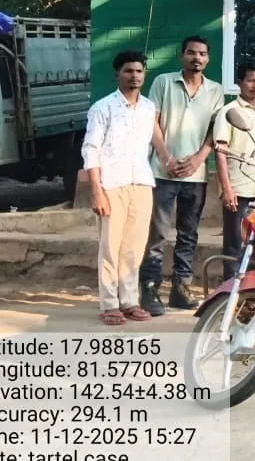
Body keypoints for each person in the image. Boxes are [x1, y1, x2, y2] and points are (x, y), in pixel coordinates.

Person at [83, 51, 173, 325]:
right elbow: (91, 149)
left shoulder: (147, 108)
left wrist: (169, 160)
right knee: (110, 246)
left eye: (139, 71)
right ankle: (109, 304)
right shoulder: (102, 108)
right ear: (117, 74)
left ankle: (130, 301)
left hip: (142, 183)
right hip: (111, 184)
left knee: (134, 247)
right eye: (128, 71)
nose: (134, 76)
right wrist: (96, 190)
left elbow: (155, 138)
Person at [139, 35, 225, 316]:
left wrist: (200, 158)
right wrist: (166, 157)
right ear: (182, 56)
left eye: (202, 54)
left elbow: (216, 131)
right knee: (158, 233)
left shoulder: (215, 90)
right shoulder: (163, 82)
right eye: (191, 53)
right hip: (162, 173)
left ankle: (180, 289)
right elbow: (151, 121)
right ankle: (150, 288)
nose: (196, 58)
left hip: (196, 176)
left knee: (188, 235)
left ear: (208, 59)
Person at [213, 64, 255, 280]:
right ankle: (230, 290)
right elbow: (220, 151)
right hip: (239, 190)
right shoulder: (228, 112)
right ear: (239, 83)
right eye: (250, 80)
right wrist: (227, 188)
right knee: (235, 244)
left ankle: (254, 291)